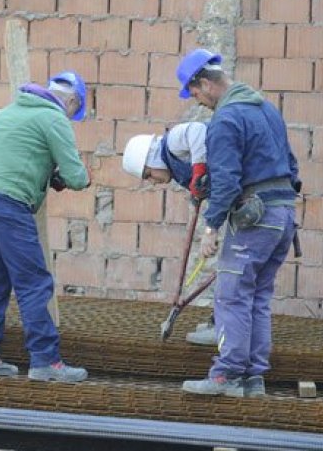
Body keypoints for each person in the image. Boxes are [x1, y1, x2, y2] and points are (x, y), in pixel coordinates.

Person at [176, 49, 300, 398]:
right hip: (283, 217)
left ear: (206, 84)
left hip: (255, 219)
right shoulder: (267, 109)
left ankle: (226, 375)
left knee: (231, 297)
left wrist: (211, 227)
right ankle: (253, 378)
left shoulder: (226, 119)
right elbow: (292, 166)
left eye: (195, 93)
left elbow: (227, 182)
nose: (198, 102)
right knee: (256, 298)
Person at [0, 70, 90, 383]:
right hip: (7, 202)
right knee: (33, 282)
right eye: (74, 111)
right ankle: (46, 361)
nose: (71, 117)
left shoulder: (9, 111)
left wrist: (45, 173)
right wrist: (72, 176)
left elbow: (16, 156)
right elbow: (77, 177)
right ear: (72, 101)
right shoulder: (54, 118)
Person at [121, 123, 218, 346]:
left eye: (149, 174)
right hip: (238, 199)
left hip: (248, 200)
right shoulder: (175, 166)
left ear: (153, 159)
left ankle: (224, 326)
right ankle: (221, 322)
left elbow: (197, 131)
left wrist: (199, 172)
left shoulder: (172, 142)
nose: (153, 181)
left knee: (233, 271)